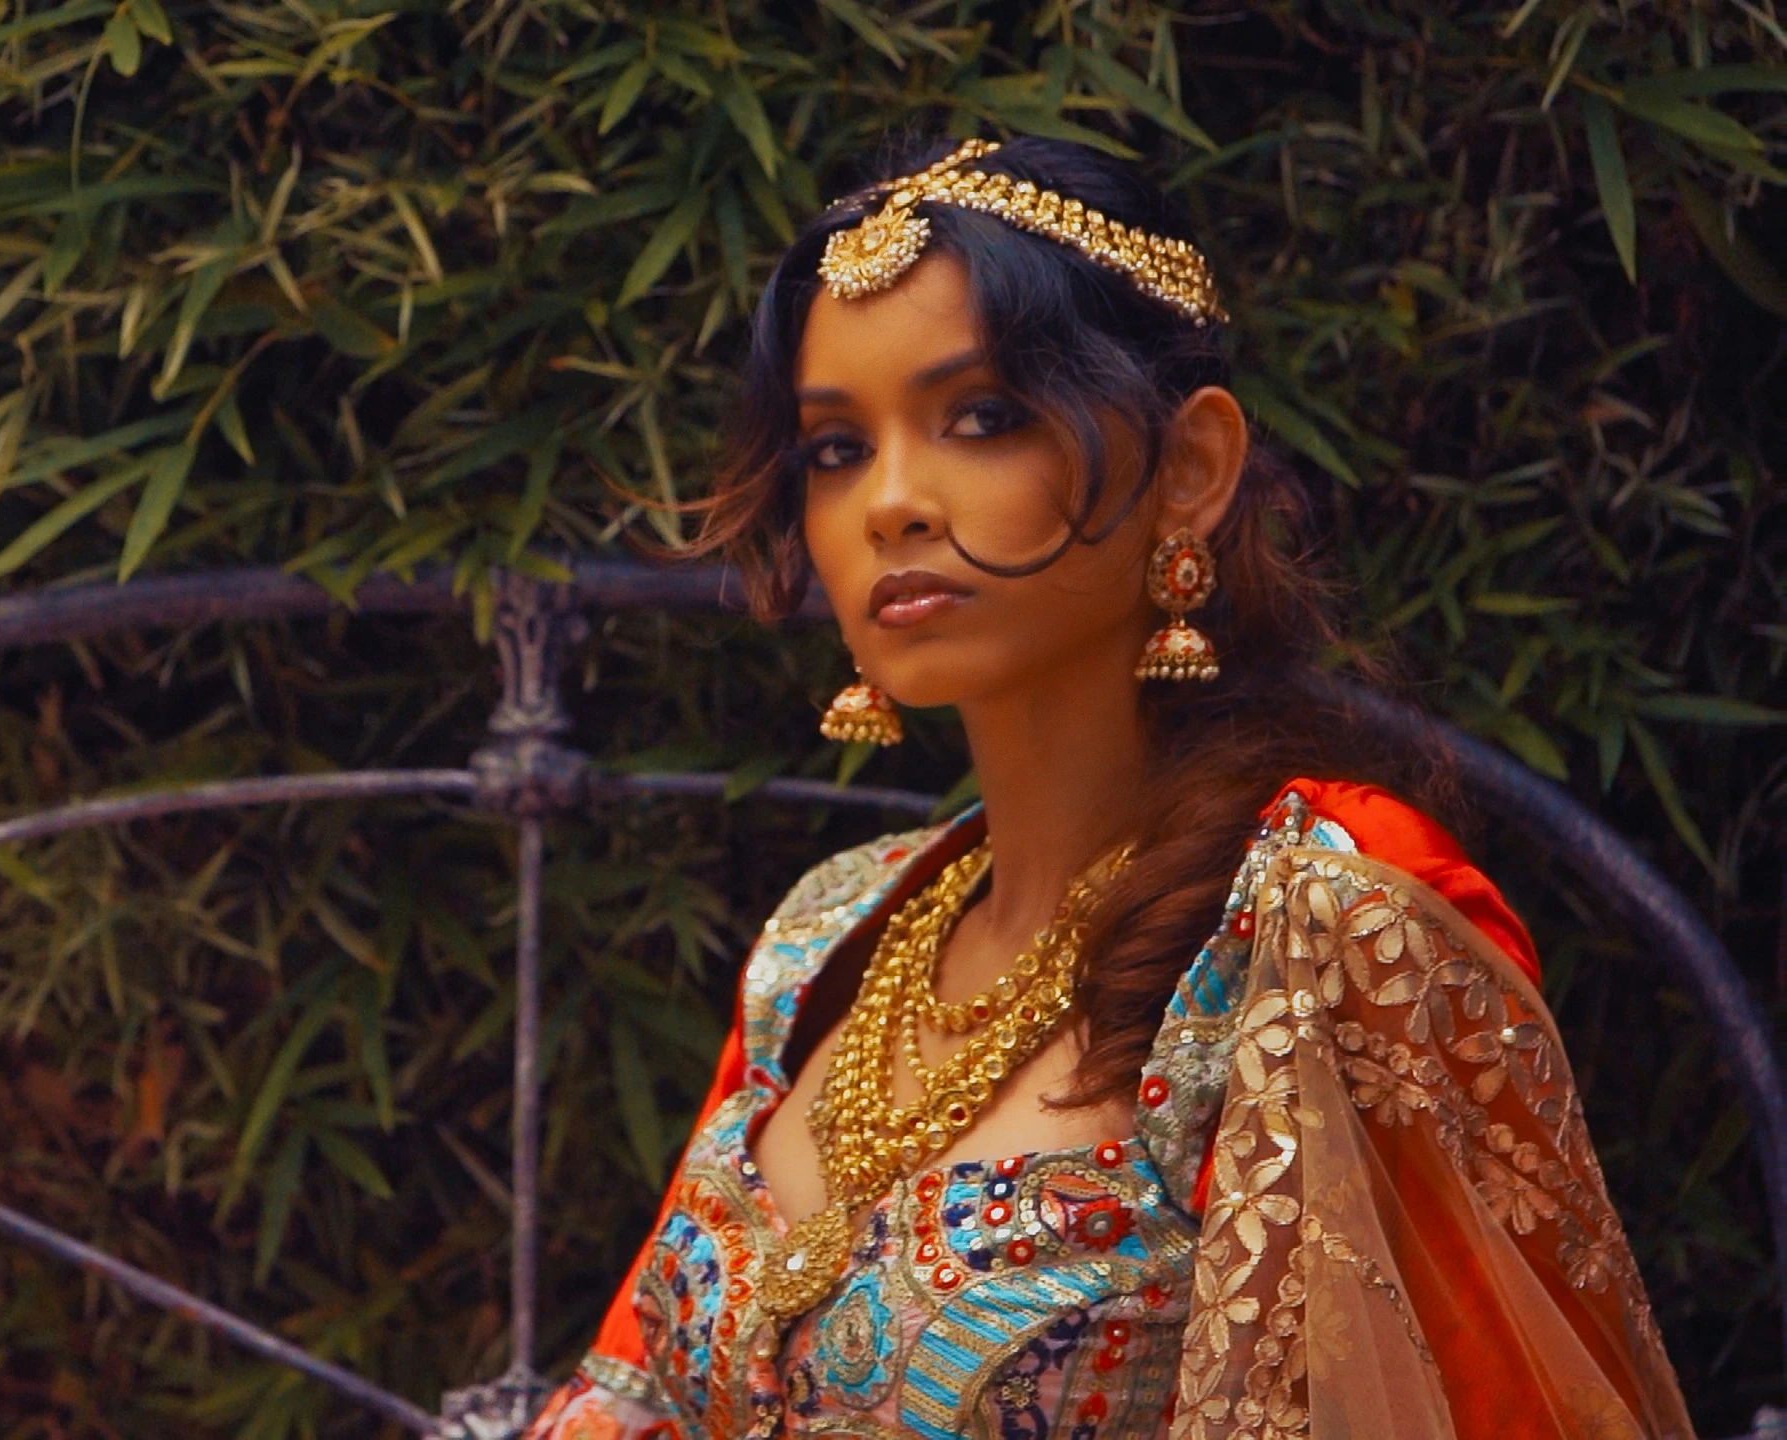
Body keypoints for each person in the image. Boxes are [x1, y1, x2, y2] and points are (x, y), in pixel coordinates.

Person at [528, 135, 1693, 1439]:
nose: (891, 503)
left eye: (981, 417)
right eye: (833, 449)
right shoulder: (821, 943)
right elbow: (621, 1402)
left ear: (1188, 468)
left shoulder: (1314, 926)